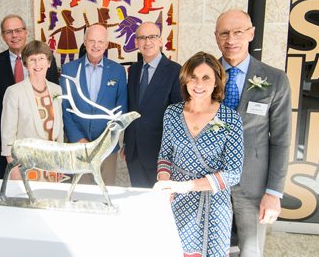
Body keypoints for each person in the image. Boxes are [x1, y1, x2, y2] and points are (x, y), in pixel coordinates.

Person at [214, 9, 292, 256]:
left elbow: (281, 141)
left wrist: (273, 193)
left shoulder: (275, 79)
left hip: (253, 187)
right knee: (209, 248)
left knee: (250, 250)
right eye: (224, 33)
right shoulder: (201, 75)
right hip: (209, 183)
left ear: (251, 33)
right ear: (216, 36)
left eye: (238, 32)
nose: (231, 40)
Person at [154, 51, 244, 256]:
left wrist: (188, 186)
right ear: (185, 80)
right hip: (176, 201)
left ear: (216, 83)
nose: (198, 84)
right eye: (193, 77)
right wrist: (165, 183)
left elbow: (233, 173)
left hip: (213, 205)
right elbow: (165, 155)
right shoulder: (172, 113)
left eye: (206, 78)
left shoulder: (231, 119)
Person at [0, 15, 58, 179]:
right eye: (9, 32)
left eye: (18, 30)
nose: (14, 35)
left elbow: (53, 102)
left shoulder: (44, 61)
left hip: (40, 145)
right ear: (3, 36)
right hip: (6, 144)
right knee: (12, 188)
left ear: (26, 32)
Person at [60, 24, 127, 186]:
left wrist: (106, 141)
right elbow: (65, 109)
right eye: (91, 41)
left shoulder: (118, 71)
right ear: (84, 42)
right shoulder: (68, 69)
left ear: (106, 44)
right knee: (81, 195)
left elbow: (121, 109)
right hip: (78, 148)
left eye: (100, 41)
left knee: (106, 194)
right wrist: (78, 139)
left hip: (107, 149)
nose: (96, 46)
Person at [122, 22, 182, 188]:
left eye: (152, 37)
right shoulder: (133, 70)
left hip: (160, 154)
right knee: (138, 198)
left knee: (159, 203)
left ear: (161, 41)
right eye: (142, 38)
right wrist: (127, 142)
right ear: (136, 43)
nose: (147, 42)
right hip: (133, 151)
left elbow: (179, 114)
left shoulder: (175, 71)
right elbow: (132, 108)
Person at [0, 40, 64, 181]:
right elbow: (7, 136)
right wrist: (14, 169)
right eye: (32, 60)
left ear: (49, 62)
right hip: (25, 167)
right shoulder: (14, 92)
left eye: (41, 58)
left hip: (52, 166)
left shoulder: (56, 90)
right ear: (25, 64)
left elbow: (59, 131)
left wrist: (61, 163)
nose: (37, 64)